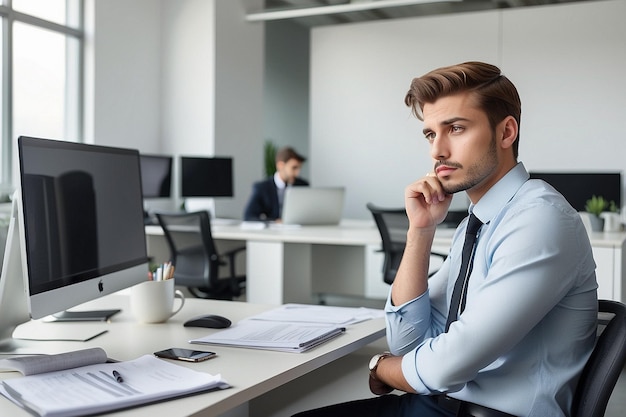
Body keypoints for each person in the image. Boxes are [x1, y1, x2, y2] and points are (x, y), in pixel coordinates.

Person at [292, 62, 598, 417]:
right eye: (430, 134)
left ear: (506, 132)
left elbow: (445, 367)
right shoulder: (480, 221)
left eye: (455, 128)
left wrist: (379, 367)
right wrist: (421, 231)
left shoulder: (539, 220)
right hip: (439, 404)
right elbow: (408, 341)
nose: (437, 151)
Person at [243, 146, 309, 221]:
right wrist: (273, 222)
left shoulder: (303, 186)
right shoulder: (262, 188)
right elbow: (248, 216)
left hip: (299, 230)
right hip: (273, 231)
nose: (297, 173)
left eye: (299, 168)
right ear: (280, 166)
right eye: (294, 168)